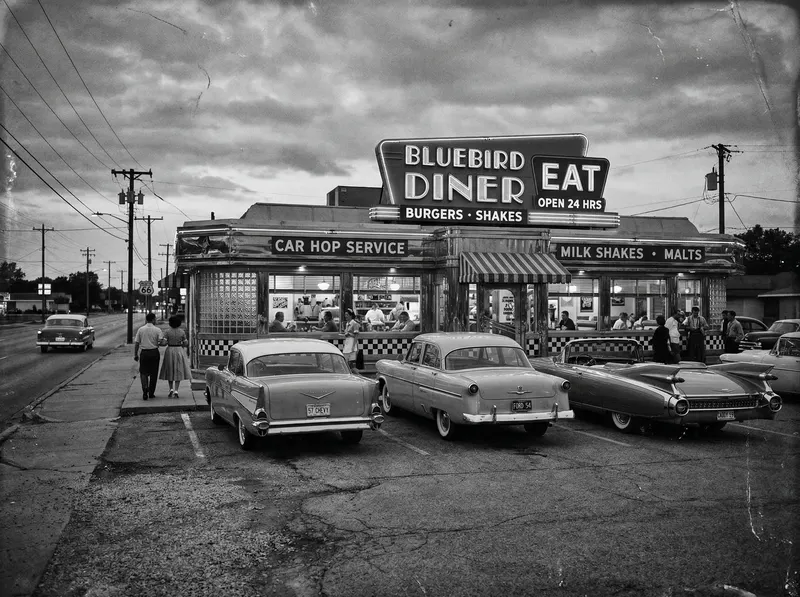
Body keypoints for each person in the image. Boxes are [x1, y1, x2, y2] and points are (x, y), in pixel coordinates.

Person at [158, 315, 192, 398]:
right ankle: (176, 390)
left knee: (169, 369)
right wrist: (181, 344)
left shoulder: (167, 332)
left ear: (170, 323)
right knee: (178, 370)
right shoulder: (182, 332)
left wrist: (158, 343)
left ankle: (171, 389)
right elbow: (186, 343)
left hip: (169, 350)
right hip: (179, 350)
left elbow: (164, 343)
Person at [133, 312, 164, 401]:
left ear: (146, 320)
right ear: (153, 319)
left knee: (143, 372)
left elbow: (137, 343)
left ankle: (144, 389)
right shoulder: (157, 330)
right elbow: (161, 342)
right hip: (154, 353)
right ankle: (151, 393)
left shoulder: (140, 329)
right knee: (154, 373)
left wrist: (135, 354)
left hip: (144, 353)